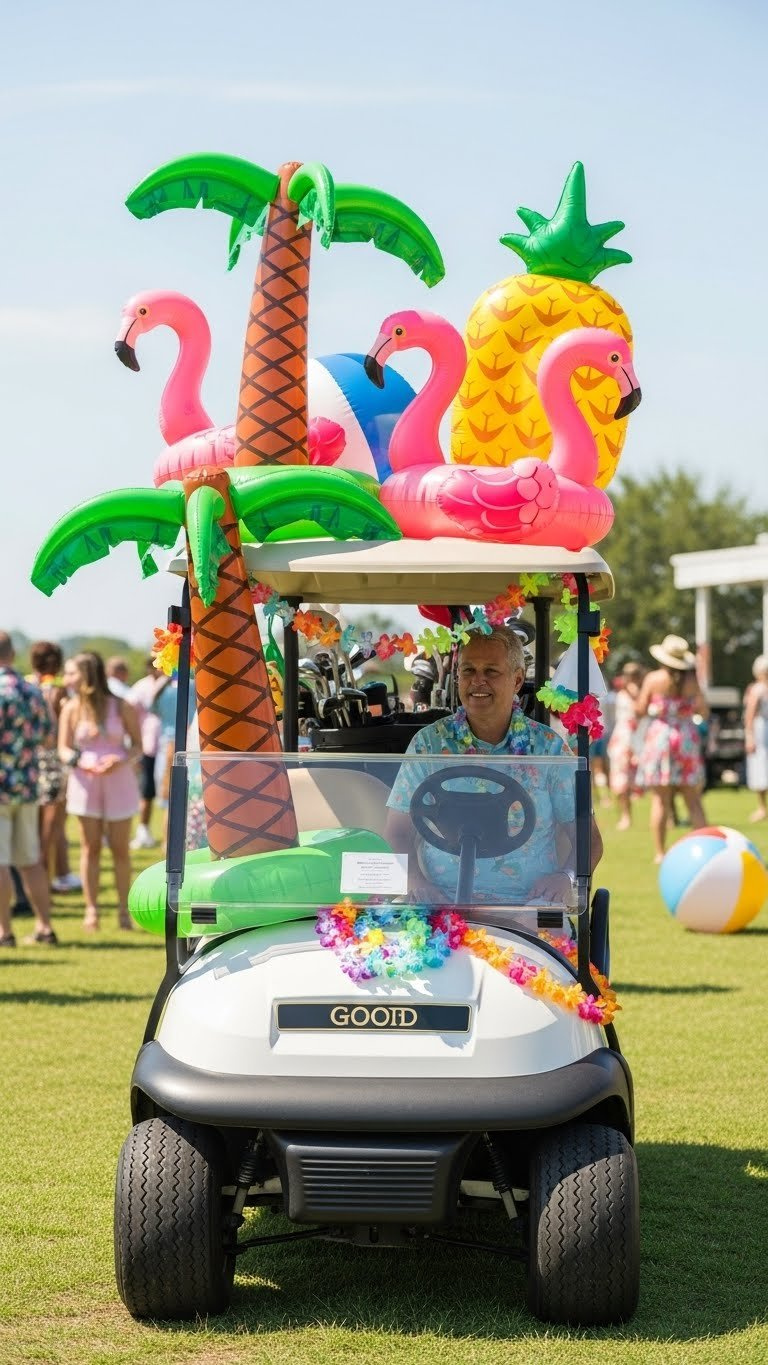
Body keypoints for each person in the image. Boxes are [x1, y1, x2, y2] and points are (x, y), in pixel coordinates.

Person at [386, 627, 603, 909]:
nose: (478, 681)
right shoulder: (429, 744)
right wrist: (415, 881)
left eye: (491, 671)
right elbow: (397, 832)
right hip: (442, 904)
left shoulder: (547, 748)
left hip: (527, 906)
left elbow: (589, 838)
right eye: (468, 671)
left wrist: (566, 875)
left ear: (517, 680)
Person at [58, 651, 142, 931]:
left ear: (86, 675)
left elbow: (137, 746)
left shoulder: (121, 706)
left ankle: (122, 911)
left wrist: (121, 758)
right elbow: (63, 748)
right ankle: (91, 910)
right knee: (89, 847)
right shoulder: (71, 708)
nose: (67, 678)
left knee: (120, 849)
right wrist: (79, 760)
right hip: (85, 781)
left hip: (118, 780)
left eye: (72, 673)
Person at [0, 631, 59, 946]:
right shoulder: (32, 691)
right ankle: (44, 927)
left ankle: (4, 932)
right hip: (27, 784)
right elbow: (48, 736)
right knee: (30, 860)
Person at [635, 634, 709, 863]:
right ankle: (705, 851)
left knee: (660, 801)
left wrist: (660, 711)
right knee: (693, 800)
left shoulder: (654, 679)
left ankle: (660, 852)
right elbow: (704, 712)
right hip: (685, 739)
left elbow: (639, 709)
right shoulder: (692, 681)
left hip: (660, 738)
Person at [28, 641, 81, 892]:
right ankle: (47, 879)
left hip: (29, 760)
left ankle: (57, 874)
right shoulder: (61, 692)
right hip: (54, 762)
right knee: (53, 825)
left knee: (38, 825)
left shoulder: (27, 686)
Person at [128, 657, 172, 849]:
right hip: (147, 745)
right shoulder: (141, 687)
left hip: (162, 745)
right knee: (146, 791)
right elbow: (129, 713)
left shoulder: (169, 685)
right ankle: (143, 830)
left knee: (164, 790)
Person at [607, 661, 645, 830]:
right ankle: (625, 816)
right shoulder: (622, 692)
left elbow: (639, 712)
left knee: (630, 781)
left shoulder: (637, 692)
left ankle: (626, 816)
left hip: (634, 738)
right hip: (623, 738)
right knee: (620, 781)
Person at [744, 655, 768, 822]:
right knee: (761, 767)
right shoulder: (757, 690)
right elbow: (750, 716)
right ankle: (762, 807)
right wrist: (750, 737)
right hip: (761, 731)